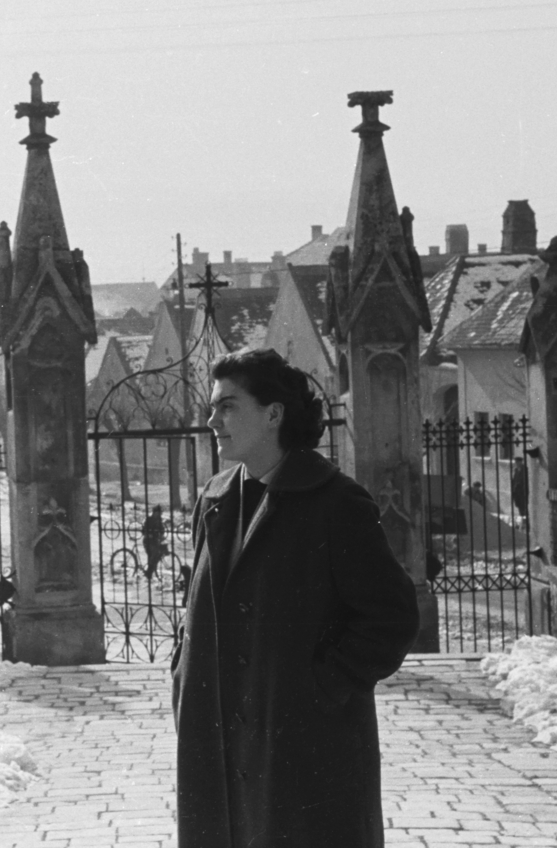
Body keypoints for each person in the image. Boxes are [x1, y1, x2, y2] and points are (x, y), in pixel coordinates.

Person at [171, 347, 419, 848]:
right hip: (218, 744)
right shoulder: (215, 500)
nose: (212, 419)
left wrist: (321, 689)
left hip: (305, 752)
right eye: (213, 406)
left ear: (273, 415)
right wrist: (182, 669)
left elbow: (391, 619)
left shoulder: (337, 503)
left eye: (227, 406)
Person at [142, 504, 168, 579]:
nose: (160, 514)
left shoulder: (159, 520)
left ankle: (151, 571)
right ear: (155, 512)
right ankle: (149, 572)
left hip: (155, 541)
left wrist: (161, 535)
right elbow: (144, 530)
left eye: (160, 513)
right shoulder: (148, 519)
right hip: (148, 541)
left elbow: (162, 530)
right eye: (158, 512)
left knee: (158, 554)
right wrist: (149, 534)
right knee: (154, 554)